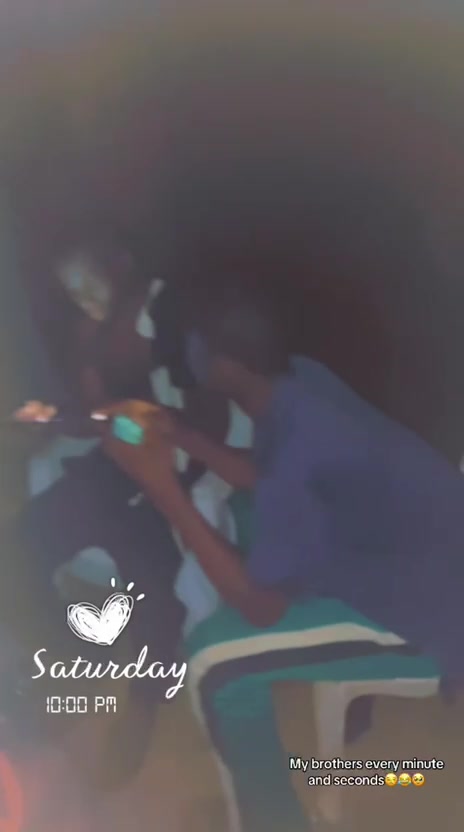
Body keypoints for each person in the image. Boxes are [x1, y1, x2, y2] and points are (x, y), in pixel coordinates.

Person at [94, 291, 464, 831]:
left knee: (216, 665)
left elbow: (261, 607)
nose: (190, 355)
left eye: (199, 347)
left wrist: (161, 486)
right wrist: (182, 434)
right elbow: (266, 476)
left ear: (225, 366)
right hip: (402, 549)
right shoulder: (297, 381)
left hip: (434, 615)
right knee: (245, 524)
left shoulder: (298, 442)